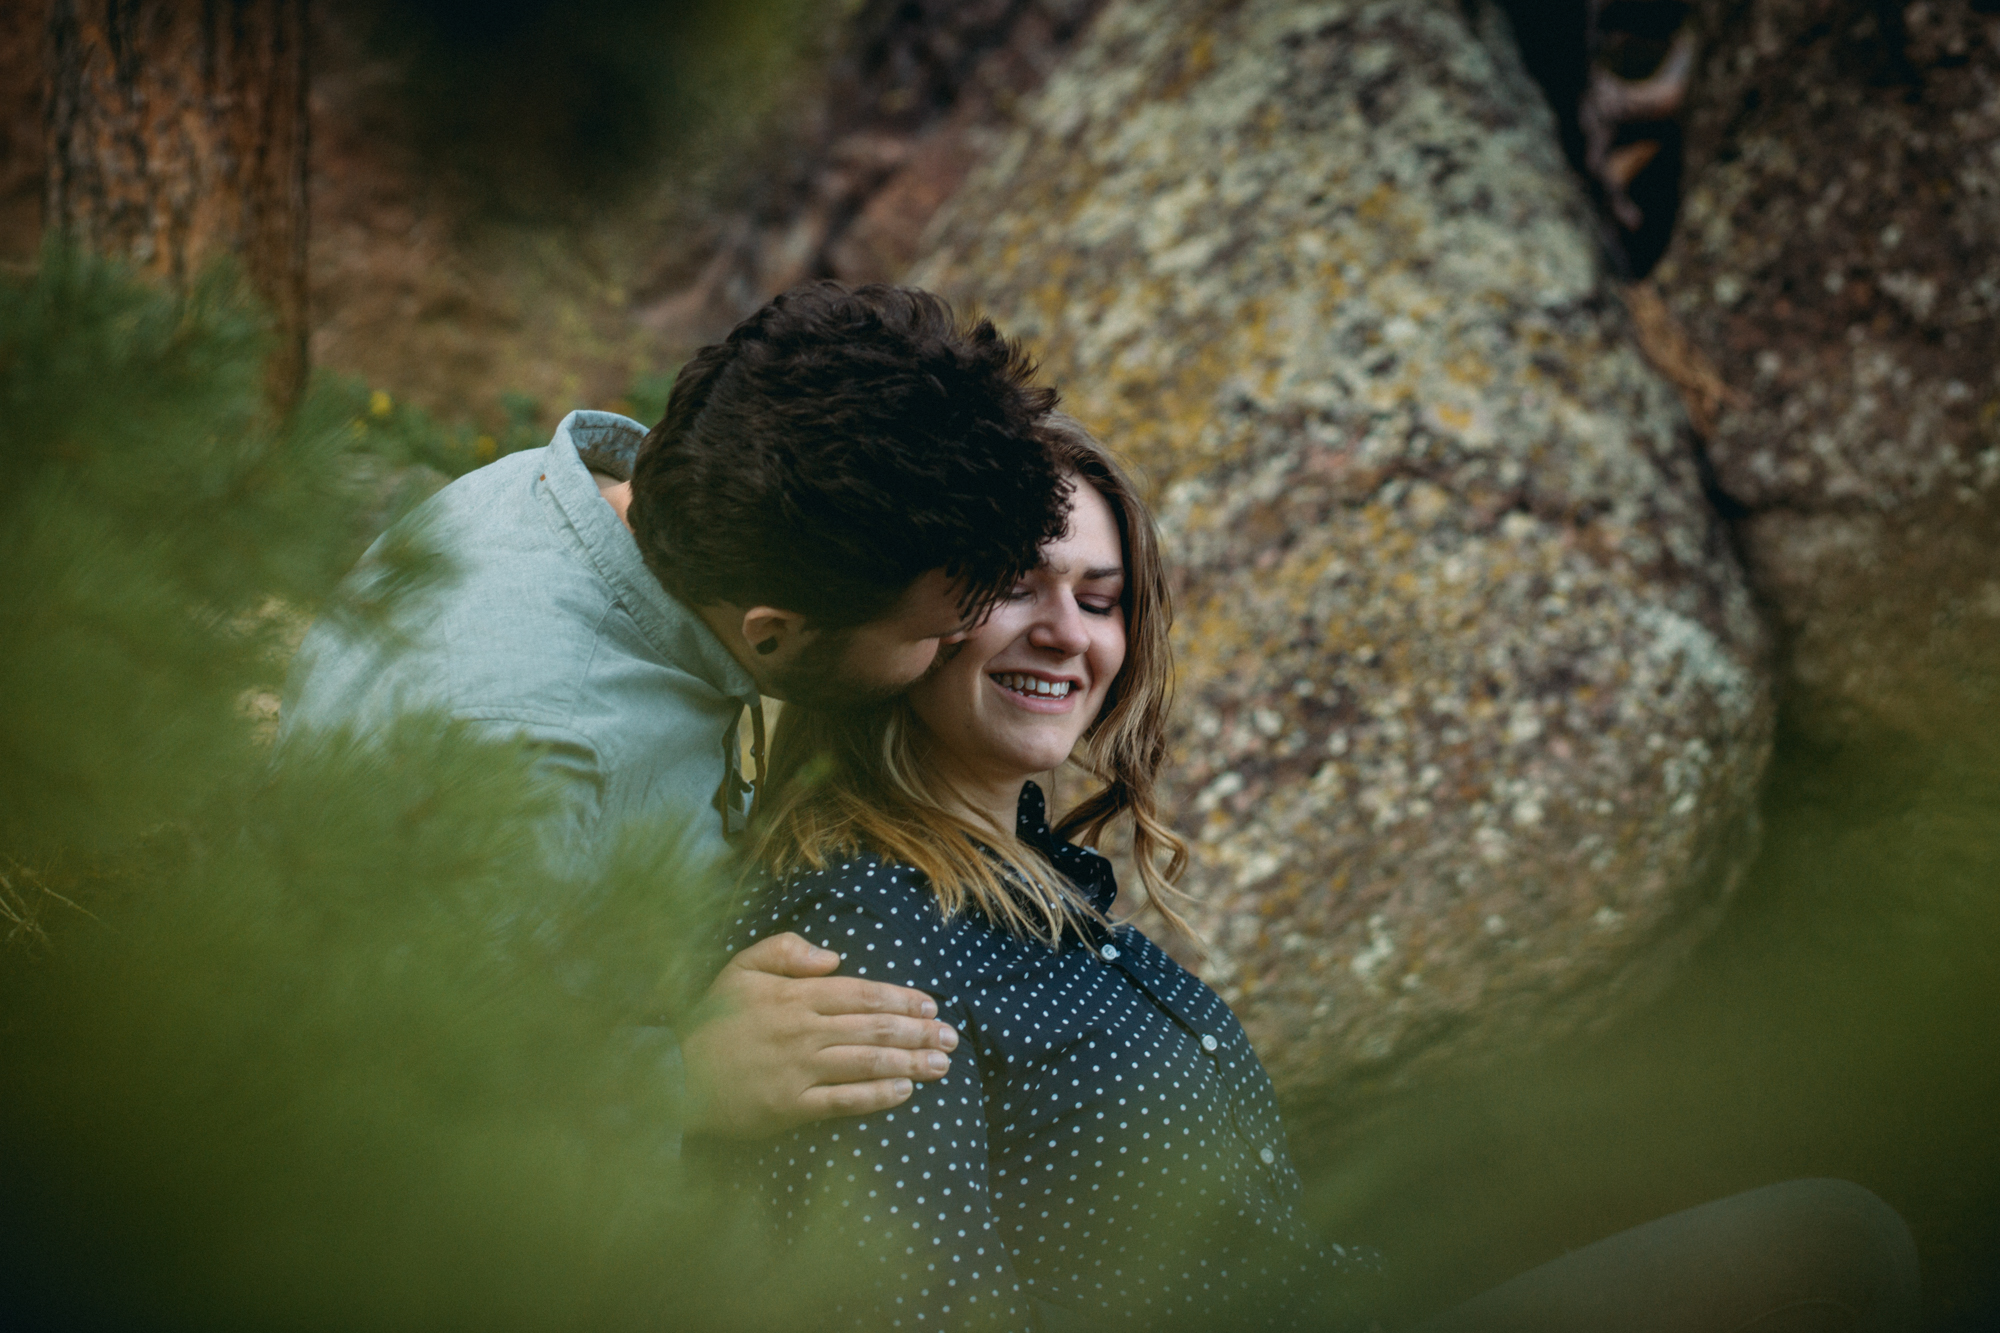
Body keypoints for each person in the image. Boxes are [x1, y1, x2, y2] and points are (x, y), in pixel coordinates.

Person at [718, 416, 1921, 1331]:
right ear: (917, 613)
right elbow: (914, 1300)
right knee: (1829, 1249)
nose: (1067, 634)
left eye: (1100, 599)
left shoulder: (1052, 904)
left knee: (1822, 1243)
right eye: (1013, 587)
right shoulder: (866, 917)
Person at [281, 282, 1070, 1138]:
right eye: (939, 633)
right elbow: (400, 1088)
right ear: (773, 633)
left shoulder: (584, 502)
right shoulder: (529, 744)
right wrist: (687, 1076)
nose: (967, 645)